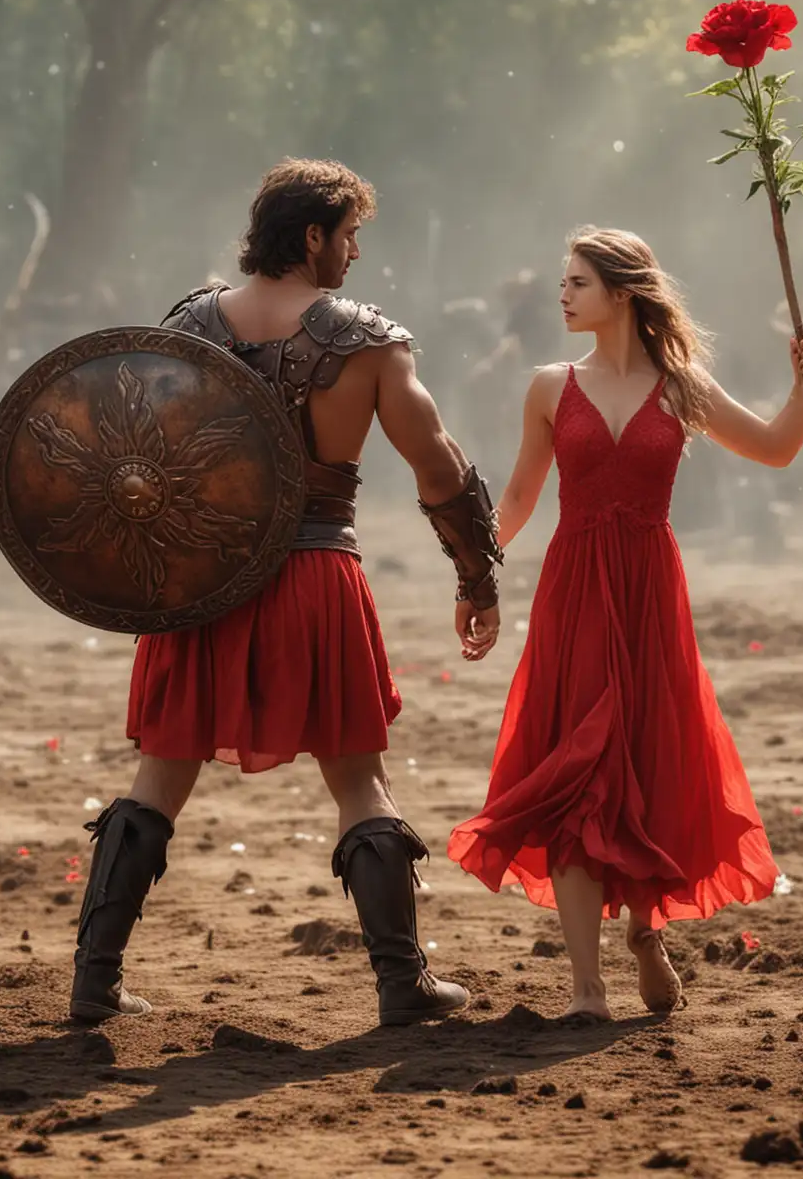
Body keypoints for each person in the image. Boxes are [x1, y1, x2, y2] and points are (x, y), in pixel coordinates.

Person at [69, 159, 504, 1028]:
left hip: (203, 580)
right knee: (358, 779)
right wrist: (477, 574)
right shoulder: (370, 344)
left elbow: (131, 462)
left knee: (160, 775)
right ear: (312, 236)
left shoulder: (186, 329)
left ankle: (94, 983)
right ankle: (401, 983)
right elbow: (440, 465)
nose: (354, 254)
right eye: (348, 236)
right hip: (314, 575)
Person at [447, 226, 803, 1020]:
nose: (563, 294)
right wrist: (475, 575)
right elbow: (518, 499)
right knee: (581, 766)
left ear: (622, 294)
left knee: (647, 762)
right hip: (576, 591)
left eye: (578, 283)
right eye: (565, 281)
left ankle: (647, 934)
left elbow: (778, 449)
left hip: (651, 592)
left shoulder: (681, 384)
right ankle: (586, 987)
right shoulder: (550, 386)